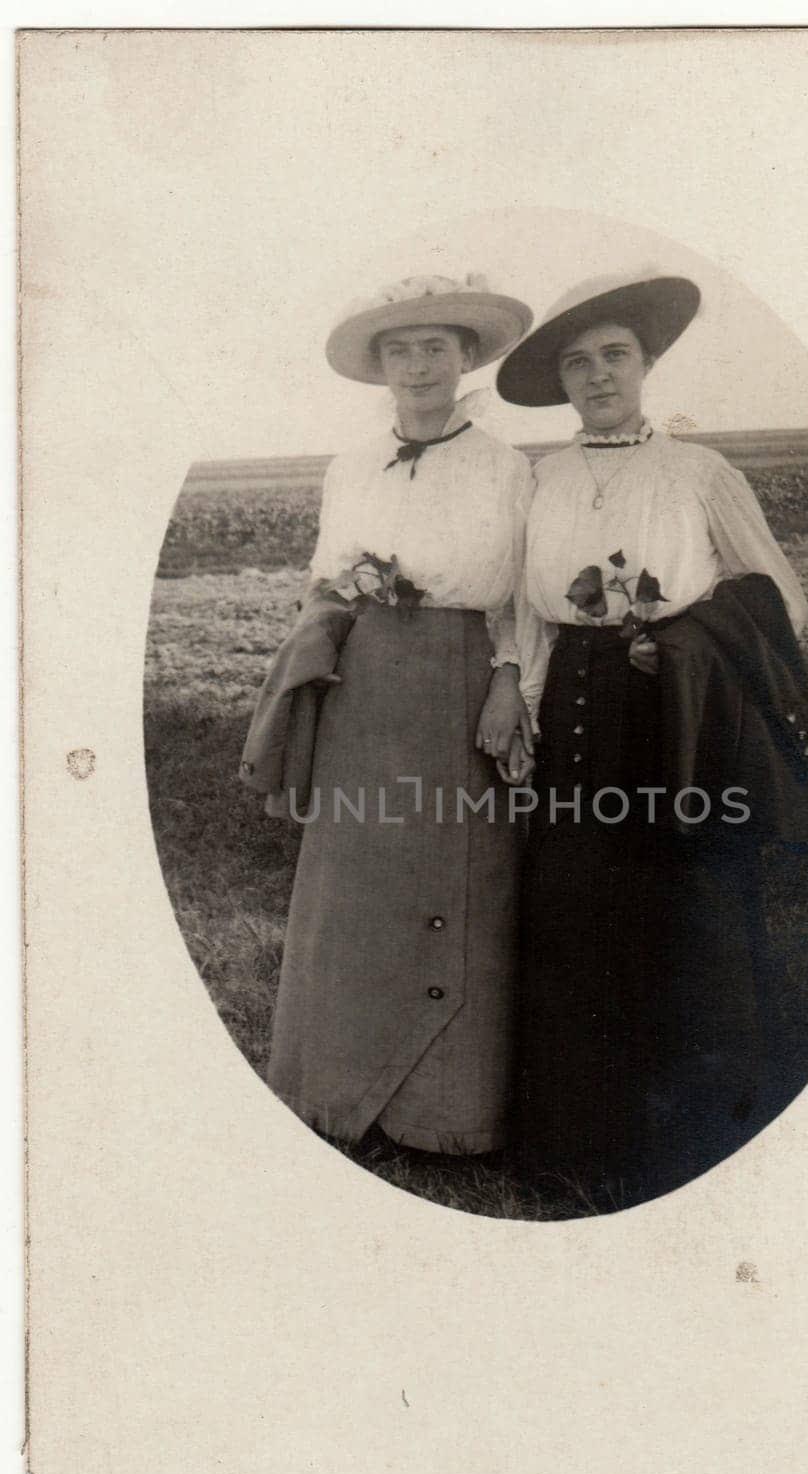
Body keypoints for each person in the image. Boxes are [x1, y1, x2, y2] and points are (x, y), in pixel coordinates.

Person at [497, 268, 808, 1209]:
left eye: (614, 356)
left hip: (674, 709)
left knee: (693, 904)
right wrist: (521, 695)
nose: (597, 375)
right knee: (572, 908)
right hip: (572, 703)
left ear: (646, 364)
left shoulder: (697, 471)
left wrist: (684, 648)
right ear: (561, 383)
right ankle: (576, 1138)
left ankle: (706, 1131)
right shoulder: (543, 479)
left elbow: (776, 598)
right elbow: (526, 614)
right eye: (577, 363)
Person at [240, 272, 539, 1158]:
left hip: (457, 679)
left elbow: (520, 592)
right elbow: (324, 579)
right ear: (379, 368)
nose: (418, 366)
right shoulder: (350, 465)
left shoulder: (503, 466)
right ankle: (333, 1089)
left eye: (436, 348)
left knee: (452, 874)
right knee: (357, 881)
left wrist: (507, 683)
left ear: (465, 359)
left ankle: (439, 1114)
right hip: (363, 688)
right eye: (400, 350)